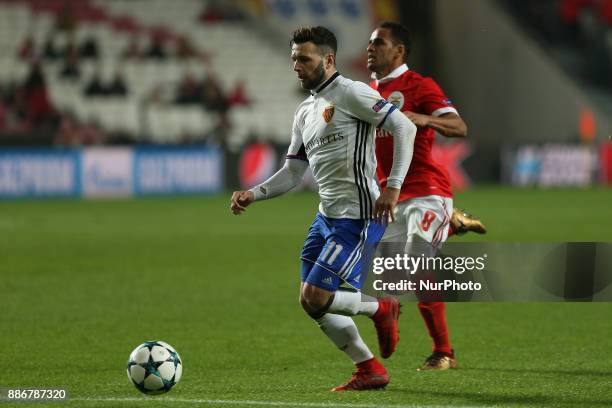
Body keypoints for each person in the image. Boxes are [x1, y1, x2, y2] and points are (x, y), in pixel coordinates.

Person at [230, 26, 417, 391]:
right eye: (294, 59)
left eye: (305, 58)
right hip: (325, 218)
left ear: (328, 59)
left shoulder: (351, 92)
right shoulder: (305, 111)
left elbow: (404, 128)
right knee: (310, 302)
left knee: (317, 296)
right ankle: (368, 368)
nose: (297, 65)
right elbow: (294, 172)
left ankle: (381, 308)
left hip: (359, 216)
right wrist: (254, 193)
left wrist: (392, 187)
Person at [366, 21, 486, 371]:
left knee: (416, 265)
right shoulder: (367, 92)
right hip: (388, 198)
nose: (370, 48)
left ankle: (444, 352)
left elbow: (458, 126)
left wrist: (421, 117)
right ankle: (450, 224)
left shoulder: (419, 85)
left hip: (426, 191)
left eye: (378, 43)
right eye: (369, 43)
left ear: (399, 51)